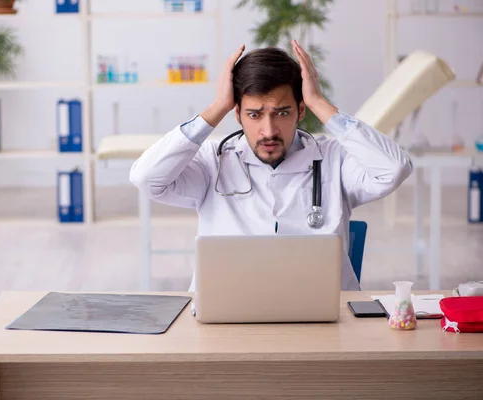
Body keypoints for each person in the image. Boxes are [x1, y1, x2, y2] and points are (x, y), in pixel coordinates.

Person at [129, 40, 413, 291]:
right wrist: (216, 108)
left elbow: (394, 169)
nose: (268, 130)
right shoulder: (211, 161)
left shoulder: (333, 159)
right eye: (254, 114)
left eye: (282, 112)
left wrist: (319, 101)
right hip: (225, 319)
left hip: (325, 322)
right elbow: (146, 178)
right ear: (237, 114)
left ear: (301, 111)